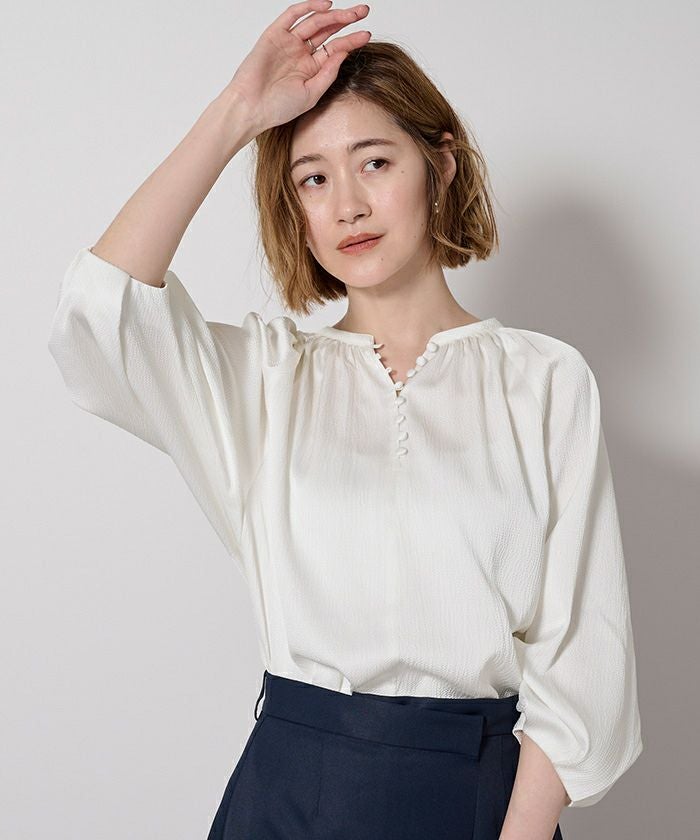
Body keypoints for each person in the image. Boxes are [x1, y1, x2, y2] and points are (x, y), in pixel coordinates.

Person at [47, 2, 643, 838]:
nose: (349, 205)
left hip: (476, 797)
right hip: (289, 792)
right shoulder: (265, 382)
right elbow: (99, 318)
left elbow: (583, 660)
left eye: (375, 162)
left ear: (440, 166)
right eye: (314, 179)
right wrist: (238, 114)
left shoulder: (544, 382)